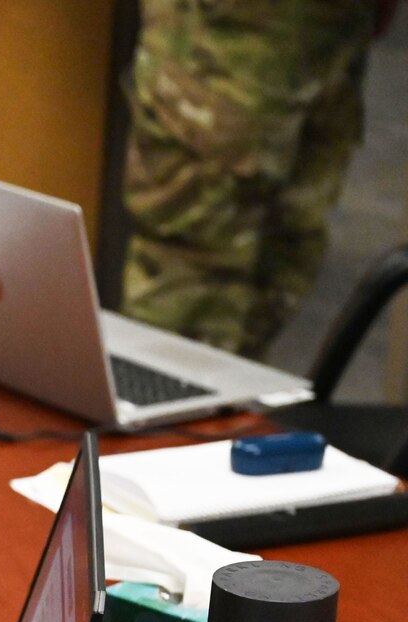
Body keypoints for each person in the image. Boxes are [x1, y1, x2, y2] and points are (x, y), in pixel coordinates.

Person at [120, 0, 383, 359]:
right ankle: (164, 410)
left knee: (283, 257)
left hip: (331, 30)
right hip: (224, 34)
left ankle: (229, 408)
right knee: (188, 277)